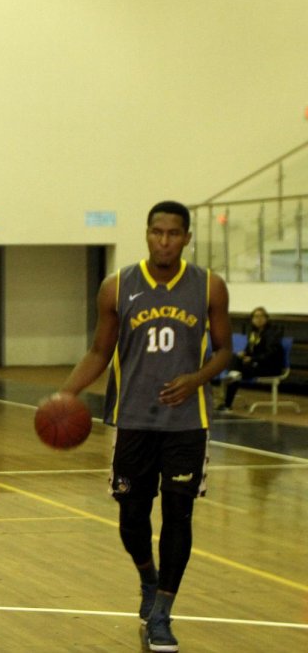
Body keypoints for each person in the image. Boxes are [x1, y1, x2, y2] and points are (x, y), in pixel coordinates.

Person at [55, 200, 231, 653]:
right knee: (132, 516)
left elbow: (225, 352)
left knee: (178, 513)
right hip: (133, 418)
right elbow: (98, 351)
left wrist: (196, 379)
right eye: (157, 232)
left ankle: (162, 613)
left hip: (187, 423)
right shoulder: (117, 286)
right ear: (147, 234)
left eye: (174, 233)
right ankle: (148, 578)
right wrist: (66, 393)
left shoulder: (210, 285)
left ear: (187, 238)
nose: (165, 241)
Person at [217, 306, 284, 410]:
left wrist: (252, 359)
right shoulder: (253, 333)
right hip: (256, 364)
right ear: (252, 319)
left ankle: (227, 403)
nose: (259, 319)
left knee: (236, 371)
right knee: (235, 359)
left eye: (262, 316)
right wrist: (244, 353)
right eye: (256, 317)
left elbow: (270, 353)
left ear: (267, 318)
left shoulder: (272, 333)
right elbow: (250, 349)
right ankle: (232, 376)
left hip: (269, 367)